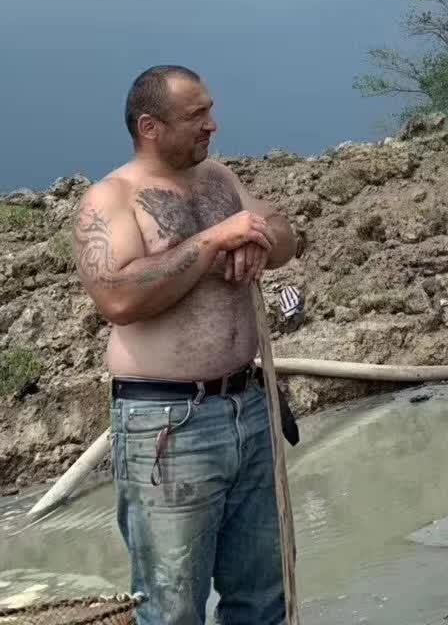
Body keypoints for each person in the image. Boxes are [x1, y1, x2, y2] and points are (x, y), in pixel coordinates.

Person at [72, 65, 298, 625]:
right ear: (150, 126)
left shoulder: (219, 179)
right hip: (169, 426)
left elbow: (286, 232)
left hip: (249, 407)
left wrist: (258, 241)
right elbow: (117, 297)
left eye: (210, 111)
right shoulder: (111, 198)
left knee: (263, 594)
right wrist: (214, 240)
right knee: (172, 607)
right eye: (196, 116)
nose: (212, 125)